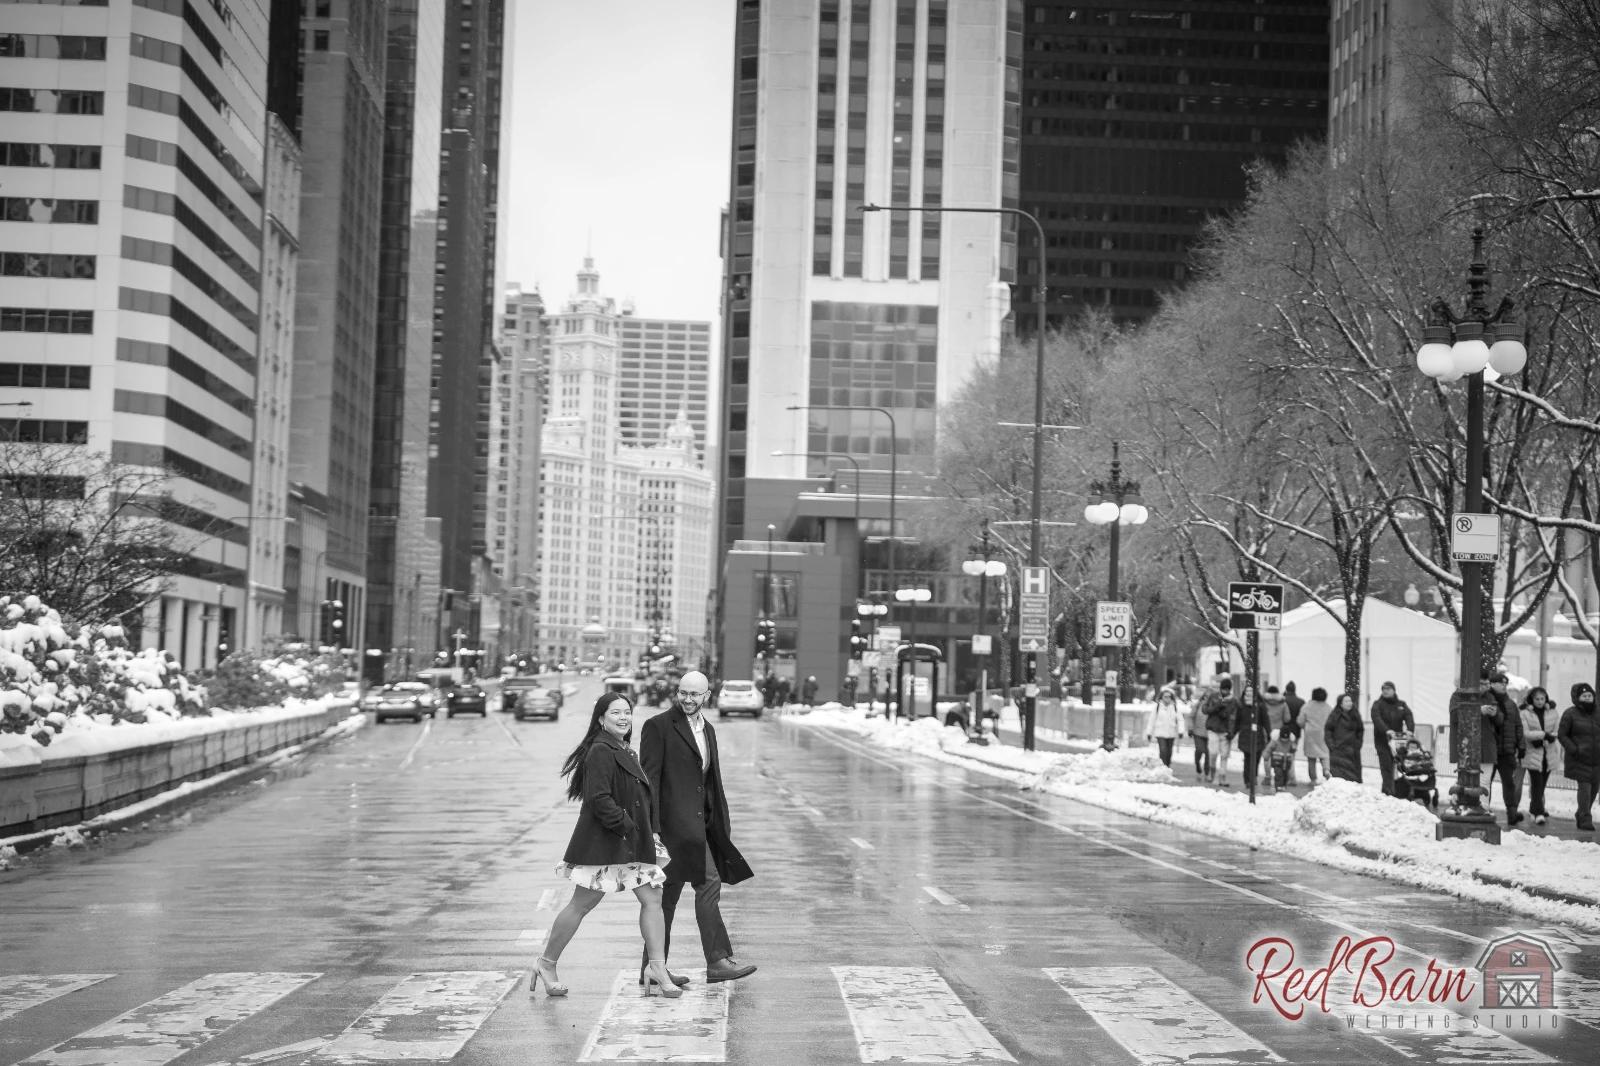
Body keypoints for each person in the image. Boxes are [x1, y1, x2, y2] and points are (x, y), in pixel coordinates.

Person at [534, 692, 681, 999]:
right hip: (607, 842)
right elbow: (598, 799)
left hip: (634, 842)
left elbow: (640, 797)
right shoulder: (601, 750)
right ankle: (546, 964)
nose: (623, 717)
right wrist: (628, 825)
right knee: (582, 904)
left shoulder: (624, 749)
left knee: (652, 898)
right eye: (616, 713)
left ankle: (656, 966)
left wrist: (649, 833)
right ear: (601, 719)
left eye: (627, 712)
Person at [640, 670, 757, 983]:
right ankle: (717, 960)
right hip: (671, 828)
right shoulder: (658, 726)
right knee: (707, 883)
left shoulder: (709, 730)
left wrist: (716, 820)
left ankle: (653, 968)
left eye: (695, 694)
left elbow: (707, 780)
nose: (688, 700)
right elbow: (649, 779)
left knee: (668, 897)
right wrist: (652, 828)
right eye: (683, 693)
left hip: (699, 825)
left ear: (707, 696)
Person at [1480, 672, 1525, 825]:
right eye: (1500, 682)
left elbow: (1518, 726)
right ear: (1491, 684)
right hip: (1490, 749)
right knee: (1486, 782)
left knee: (1509, 783)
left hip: (1507, 750)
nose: (1504, 685)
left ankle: (1512, 813)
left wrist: (1521, 745)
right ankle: (1484, 809)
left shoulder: (1510, 704)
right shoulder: (1487, 699)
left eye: (1505, 683)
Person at [1557, 682, 1599, 831]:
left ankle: (1581, 813)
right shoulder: (1570, 713)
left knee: (1594, 790)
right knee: (1585, 790)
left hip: (1597, 759)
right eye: (1584, 696)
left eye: (1590, 696)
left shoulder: (1598, 712)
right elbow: (1562, 735)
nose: (1588, 698)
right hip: (1580, 759)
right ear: (1577, 697)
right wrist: (1574, 749)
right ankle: (1585, 819)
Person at [1517, 686, 1561, 826]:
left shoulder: (1552, 712)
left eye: (1542, 698)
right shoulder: (1525, 713)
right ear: (1532, 699)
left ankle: (1533, 808)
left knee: (1542, 785)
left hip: (1549, 753)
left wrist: (1550, 737)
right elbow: (1526, 732)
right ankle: (1538, 813)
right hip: (1533, 752)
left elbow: (1556, 730)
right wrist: (1543, 735)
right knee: (1536, 783)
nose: (1540, 701)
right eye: (1537, 699)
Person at [1369, 681, 1415, 795]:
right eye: (1383, 689)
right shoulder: (1377, 704)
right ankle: (1388, 791)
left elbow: (1408, 716)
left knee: (1401, 767)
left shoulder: (1401, 704)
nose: (1385, 691)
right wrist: (1386, 730)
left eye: (1388, 689)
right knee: (1386, 766)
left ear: (1394, 690)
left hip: (1398, 742)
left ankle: (1401, 790)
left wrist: (1410, 730)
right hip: (1382, 742)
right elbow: (1376, 718)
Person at [1234, 685, 1274, 794]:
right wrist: (1232, 733)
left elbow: (1265, 720)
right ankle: (1250, 779)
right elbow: (1237, 721)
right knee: (1250, 759)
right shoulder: (1243, 705)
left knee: (1253, 758)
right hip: (1250, 735)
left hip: (1255, 735)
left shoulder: (1259, 706)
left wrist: (1269, 733)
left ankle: (1251, 778)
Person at [1203, 678, 1238, 786]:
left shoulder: (1233, 701)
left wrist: (1232, 732)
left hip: (1225, 731)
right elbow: (1205, 710)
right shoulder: (1213, 696)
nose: (1225, 692)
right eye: (1223, 689)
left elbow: (1234, 717)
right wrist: (1216, 707)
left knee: (1224, 755)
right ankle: (1212, 773)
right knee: (1213, 753)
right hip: (1213, 729)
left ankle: (1222, 777)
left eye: (1227, 690)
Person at [1325, 692, 1364, 782]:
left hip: (1352, 751)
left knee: (1353, 779)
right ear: (1341, 704)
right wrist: (1331, 745)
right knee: (1340, 779)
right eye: (1346, 701)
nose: (1349, 703)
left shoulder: (1355, 715)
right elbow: (1328, 730)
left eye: (1350, 701)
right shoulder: (1334, 715)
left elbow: (1360, 730)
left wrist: (1358, 744)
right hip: (1338, 751)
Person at [1299, 687, 1332, 785]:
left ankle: (1313, 779)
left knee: (1311, 758)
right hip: (1324, 733)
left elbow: (1300, 721)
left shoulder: (1306, 706)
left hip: (1310, 734)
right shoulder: (1328, 707)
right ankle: (1326, 770)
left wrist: (1305, 726)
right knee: (1325, 754)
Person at [1146, 686, 1183, 767]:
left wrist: (1181, 731)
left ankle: (1167, 765)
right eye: (1165, 697)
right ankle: (1163, 766)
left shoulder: (1175, 707)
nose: (1167, 699)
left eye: (1169, 697)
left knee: (1169, 752)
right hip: (1160, 733)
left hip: (1171, 733)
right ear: (1162, 697)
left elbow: (1180, 720)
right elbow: (1152, 720)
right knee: (1163, 750)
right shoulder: (1157, 707)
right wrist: (1149, 732)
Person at [1187, 688, 1210, 778]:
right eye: (1206, 697)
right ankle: (1197, 763)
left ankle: (1207, 772)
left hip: (1210, 733)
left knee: (1208, 753)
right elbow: (1191, 716)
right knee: (1200, 750)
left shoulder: (1214, 706)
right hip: (1198, 733)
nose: (1207, 699)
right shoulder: (1198, 705)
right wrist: (1190, 728)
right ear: (1203, 697)